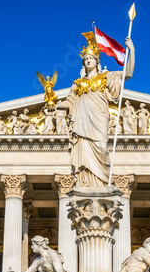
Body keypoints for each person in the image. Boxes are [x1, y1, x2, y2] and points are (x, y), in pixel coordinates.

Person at [53, 32, 133, 187]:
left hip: (99, 121)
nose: (88, 61)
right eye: (86, 59)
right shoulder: (77, 84)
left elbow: (128, 74)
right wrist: (54, 104)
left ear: (97, 61)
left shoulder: (106, 78)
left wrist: (132, 50)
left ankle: (101, 185)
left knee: (102, 149)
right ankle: (85, 185)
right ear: (83, 63)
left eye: (91, 58)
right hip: (82, 124)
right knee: (83, 159)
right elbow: (69, 102)